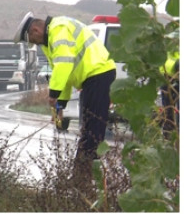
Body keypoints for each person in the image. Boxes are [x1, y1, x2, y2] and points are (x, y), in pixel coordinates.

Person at [14, 12, 116, 180]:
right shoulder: (50, 41)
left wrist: (53, 95)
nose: (35, 44)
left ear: (35, 30)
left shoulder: (59, 29)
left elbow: (64, 65)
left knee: (93, 132)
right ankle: (83, 177)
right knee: (89, 131)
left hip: (99, 74)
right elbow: (64, 75)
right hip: (92, 79)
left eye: (32, 40)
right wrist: (61, 104)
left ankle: (81, 179)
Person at [159, 45, 179, 138]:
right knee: (168, 111)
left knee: (169, 111)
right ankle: (168, 136)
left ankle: (171, 136)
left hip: (172, 74)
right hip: (169, 76)